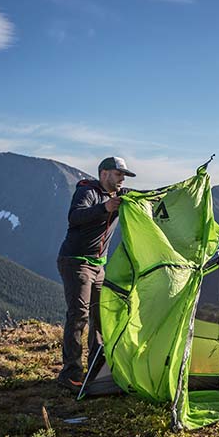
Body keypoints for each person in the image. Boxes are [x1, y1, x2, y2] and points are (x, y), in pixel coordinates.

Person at [56, 156, 136, 392]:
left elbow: (145, 196)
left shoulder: (118, 195)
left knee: (100, 317)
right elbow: (74, 216)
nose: (122, 179)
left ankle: (95, 368)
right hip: (76, 262)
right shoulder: (87, 192)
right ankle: (70, 374)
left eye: (124, 176)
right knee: (79, 315)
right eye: (118, 174)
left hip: (99, 265)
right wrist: (104, 208)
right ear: (104, 174)